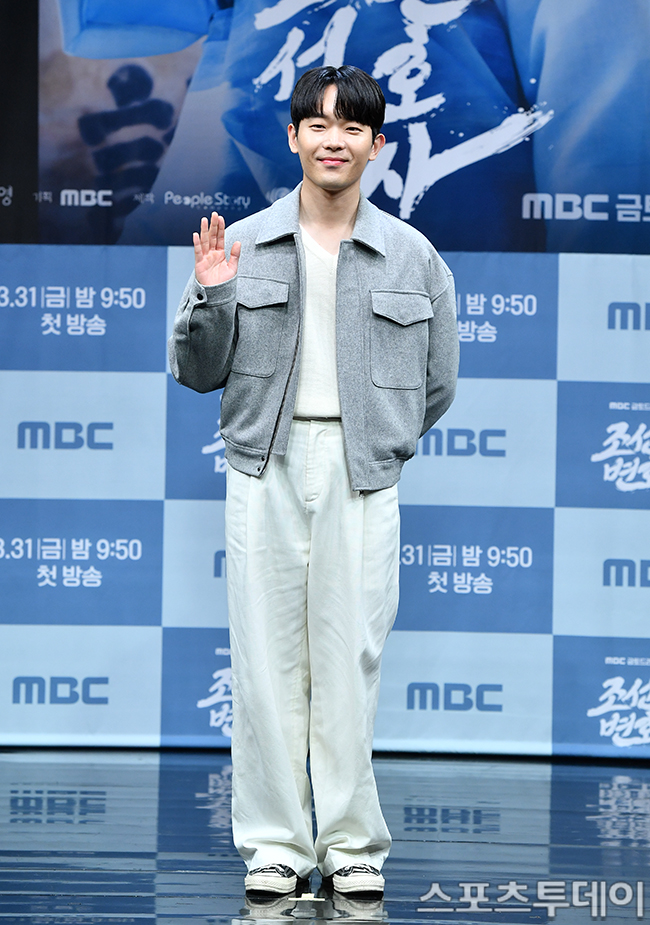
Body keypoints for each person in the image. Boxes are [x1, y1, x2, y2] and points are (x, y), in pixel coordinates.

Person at [169, 65, 459, 897]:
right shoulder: (242, 243)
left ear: (377, 144)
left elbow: (438, 383)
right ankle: (274, 845)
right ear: (294, 136)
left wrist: (380, 442)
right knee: (263, 660)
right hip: (264, 465)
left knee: (348, 658)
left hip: (362, 472)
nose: (335, 140)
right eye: (319, 124)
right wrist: (213, 296)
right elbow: (194, 370)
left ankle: (352, 844)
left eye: (352, 127)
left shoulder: (412, 254)